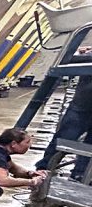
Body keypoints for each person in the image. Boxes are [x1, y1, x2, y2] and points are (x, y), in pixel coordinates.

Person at [35, 47, 92, 179]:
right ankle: (44, 168)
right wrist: (81, 52)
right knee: (64, 138)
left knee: (89, 146)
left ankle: (80, 174)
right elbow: (68, 58)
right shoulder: (89, 55)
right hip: (81, 107)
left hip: (81, 106)